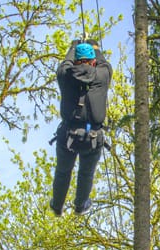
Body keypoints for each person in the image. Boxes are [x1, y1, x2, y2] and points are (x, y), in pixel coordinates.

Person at [49, 39, 112, 216]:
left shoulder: (65, 75)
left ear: (76, 60)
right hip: (92, 138)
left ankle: (57, 205)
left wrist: (73, 47)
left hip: (67, 136)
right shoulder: (102, 76)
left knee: (63, 172)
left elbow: (65, 64)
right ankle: (80, 205)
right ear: (93, 61)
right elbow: (104, 63)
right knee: (86, 173)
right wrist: (95, 46)